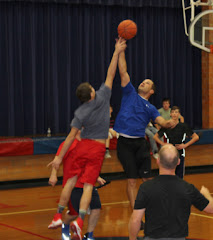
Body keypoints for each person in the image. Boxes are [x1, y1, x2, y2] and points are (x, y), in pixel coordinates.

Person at [47, 38, 127, 239]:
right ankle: (80, 220)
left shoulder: (80, 112)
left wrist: (58, 159)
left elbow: (69, 138)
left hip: (82, 147)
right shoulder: (102, 96)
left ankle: (58, 215)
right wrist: (117, 51)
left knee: (71, 182)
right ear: (92, 92)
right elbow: (111, 73)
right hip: (97, 149)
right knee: (89, 186)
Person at [113, 43, 177, 226]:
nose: (143, 82)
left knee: (148, 179)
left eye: (147, 83)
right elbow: (123, 72)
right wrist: (121, 51)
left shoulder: (150, 108)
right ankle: (137, 216)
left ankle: (154, 208)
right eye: (143, 81)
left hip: (140, 144)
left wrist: (170, 123)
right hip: (125, 143)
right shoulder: (129, 93)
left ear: (151, 91)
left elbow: (161, 122)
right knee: (132, 180)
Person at [128, 144, 213, 240]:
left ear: (158, 161)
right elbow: (211, 209)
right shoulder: (188, 188)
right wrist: (207, 194)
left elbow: (136, 219)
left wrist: (132, 238)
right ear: (178, 162)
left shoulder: (146, 187)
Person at [48, 135, 108, 240]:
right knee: (74, 214)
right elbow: (57, 159)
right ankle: (65, 224)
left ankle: (89, 235)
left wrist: (96, 176)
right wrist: (53, 175)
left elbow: (90, 164)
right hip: (73, 185)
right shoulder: (68, 144)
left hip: (88, 183)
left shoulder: (88, 144)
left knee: (96, 208)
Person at [153, 106, 199, 179]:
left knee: (179, 176)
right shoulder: (166, 125)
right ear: (170, 114)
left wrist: (185, 145)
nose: (174, 114)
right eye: (173, 112)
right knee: (169, 175)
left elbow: (196, 137)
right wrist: (163, 144)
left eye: (176, 112)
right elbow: (155, 137)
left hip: (180, 153)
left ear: (179, 114)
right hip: (169, 153)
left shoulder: (183, 126)